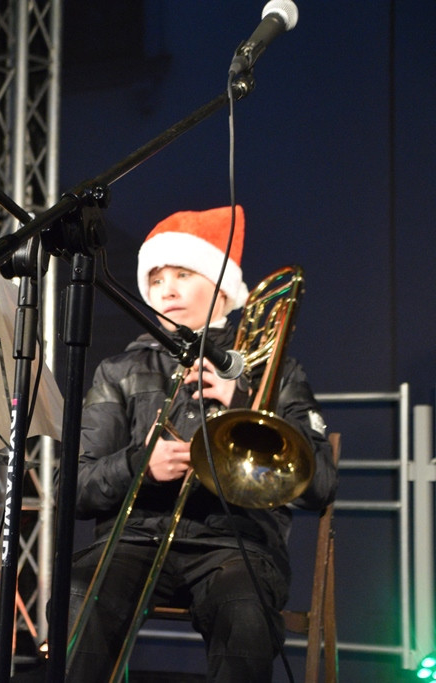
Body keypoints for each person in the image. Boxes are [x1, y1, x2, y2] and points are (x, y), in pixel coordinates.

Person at [67, 206, 337, 682]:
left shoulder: (278, 370)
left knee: (246, 615)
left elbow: (321, 485)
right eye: (155, 279)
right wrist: (139, 465)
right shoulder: (118, 372)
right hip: (134, 538)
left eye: (183, 274)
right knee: (79, 598)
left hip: (236, 544)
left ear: (221, 287)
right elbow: (74, 488)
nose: (165, 289)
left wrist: (249, 401)